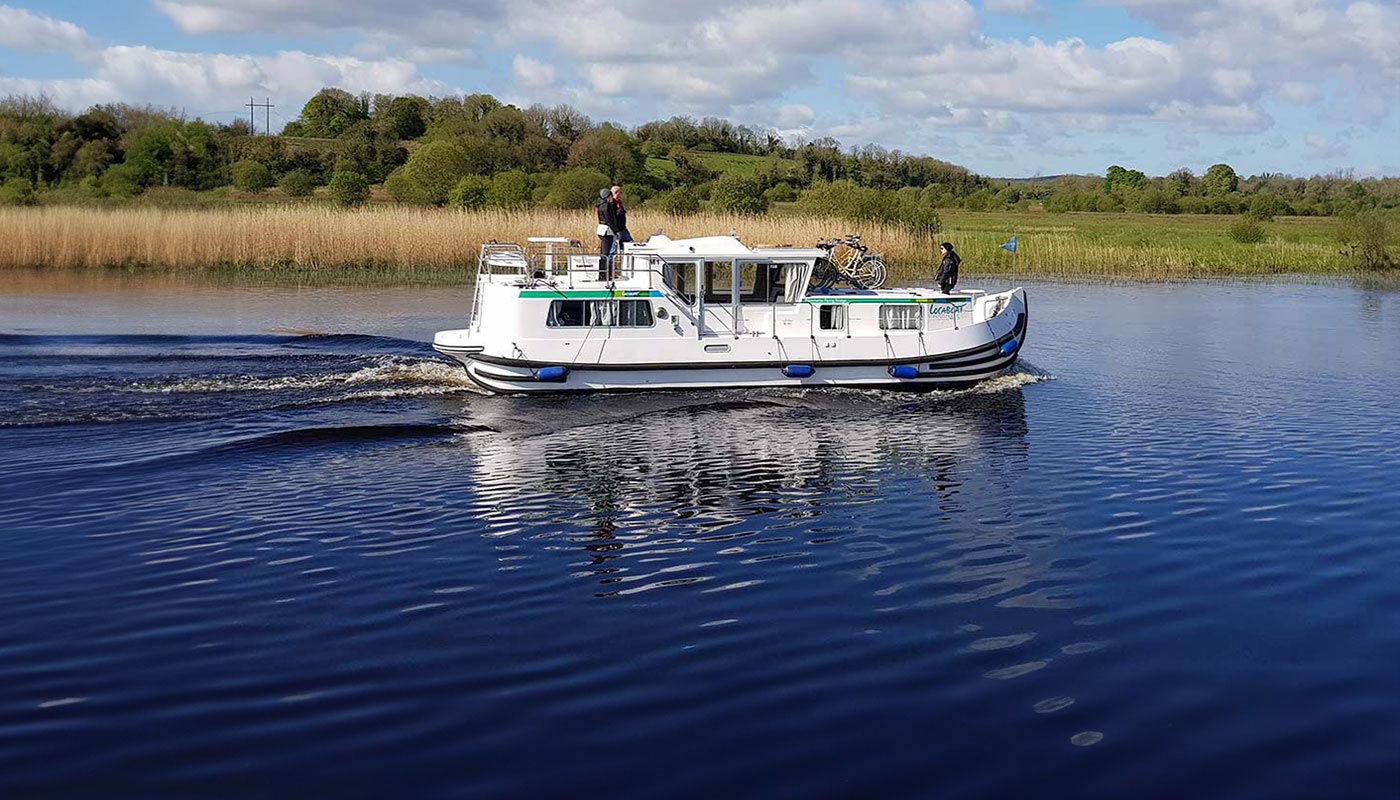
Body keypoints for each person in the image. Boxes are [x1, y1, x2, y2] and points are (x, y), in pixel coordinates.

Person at [595, 188, 615, 280]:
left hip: (602, 229)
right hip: (607, 230)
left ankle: (603, 274)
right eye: (611, 196)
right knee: (605, 254)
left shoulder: (600, 205)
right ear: (608, 197)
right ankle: (603, 275)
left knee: (604, 253)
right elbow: (609, 220)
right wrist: (616, 231)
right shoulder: (606, 206)